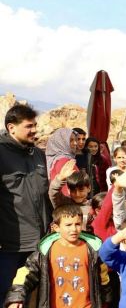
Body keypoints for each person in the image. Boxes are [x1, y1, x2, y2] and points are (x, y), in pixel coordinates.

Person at [4, 204, 111, 308]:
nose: (74, 229)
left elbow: (103, 278)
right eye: (68, 225)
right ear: (56, 227)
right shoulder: (45, 252)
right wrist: (16, 298)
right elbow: (25, 274)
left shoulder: (92, 250)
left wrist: (106, 302)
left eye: (77, 224)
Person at [0, 104, 51, 305]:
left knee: (34, 297)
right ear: (11, 127)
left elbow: (43, 194)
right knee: (7, 297)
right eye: (29, 126)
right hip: (10, 245)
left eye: (35, 125)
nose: (34, 130)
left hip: (39, 242)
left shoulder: (37, 154)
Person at [48, 160, 93, 229]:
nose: (77, 194)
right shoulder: (64, 203)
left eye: (81, 190)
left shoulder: (93, 205)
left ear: (89, 188)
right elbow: (53, 192)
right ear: (68, 190)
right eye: (73, 190)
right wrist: (60, 178)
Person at [46, 127, 78, 195]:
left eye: (75, 140)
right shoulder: (63, 161)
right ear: (62, 143)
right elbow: (65, 190)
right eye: (71, 140)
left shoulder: (58, 159)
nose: (75, 143)